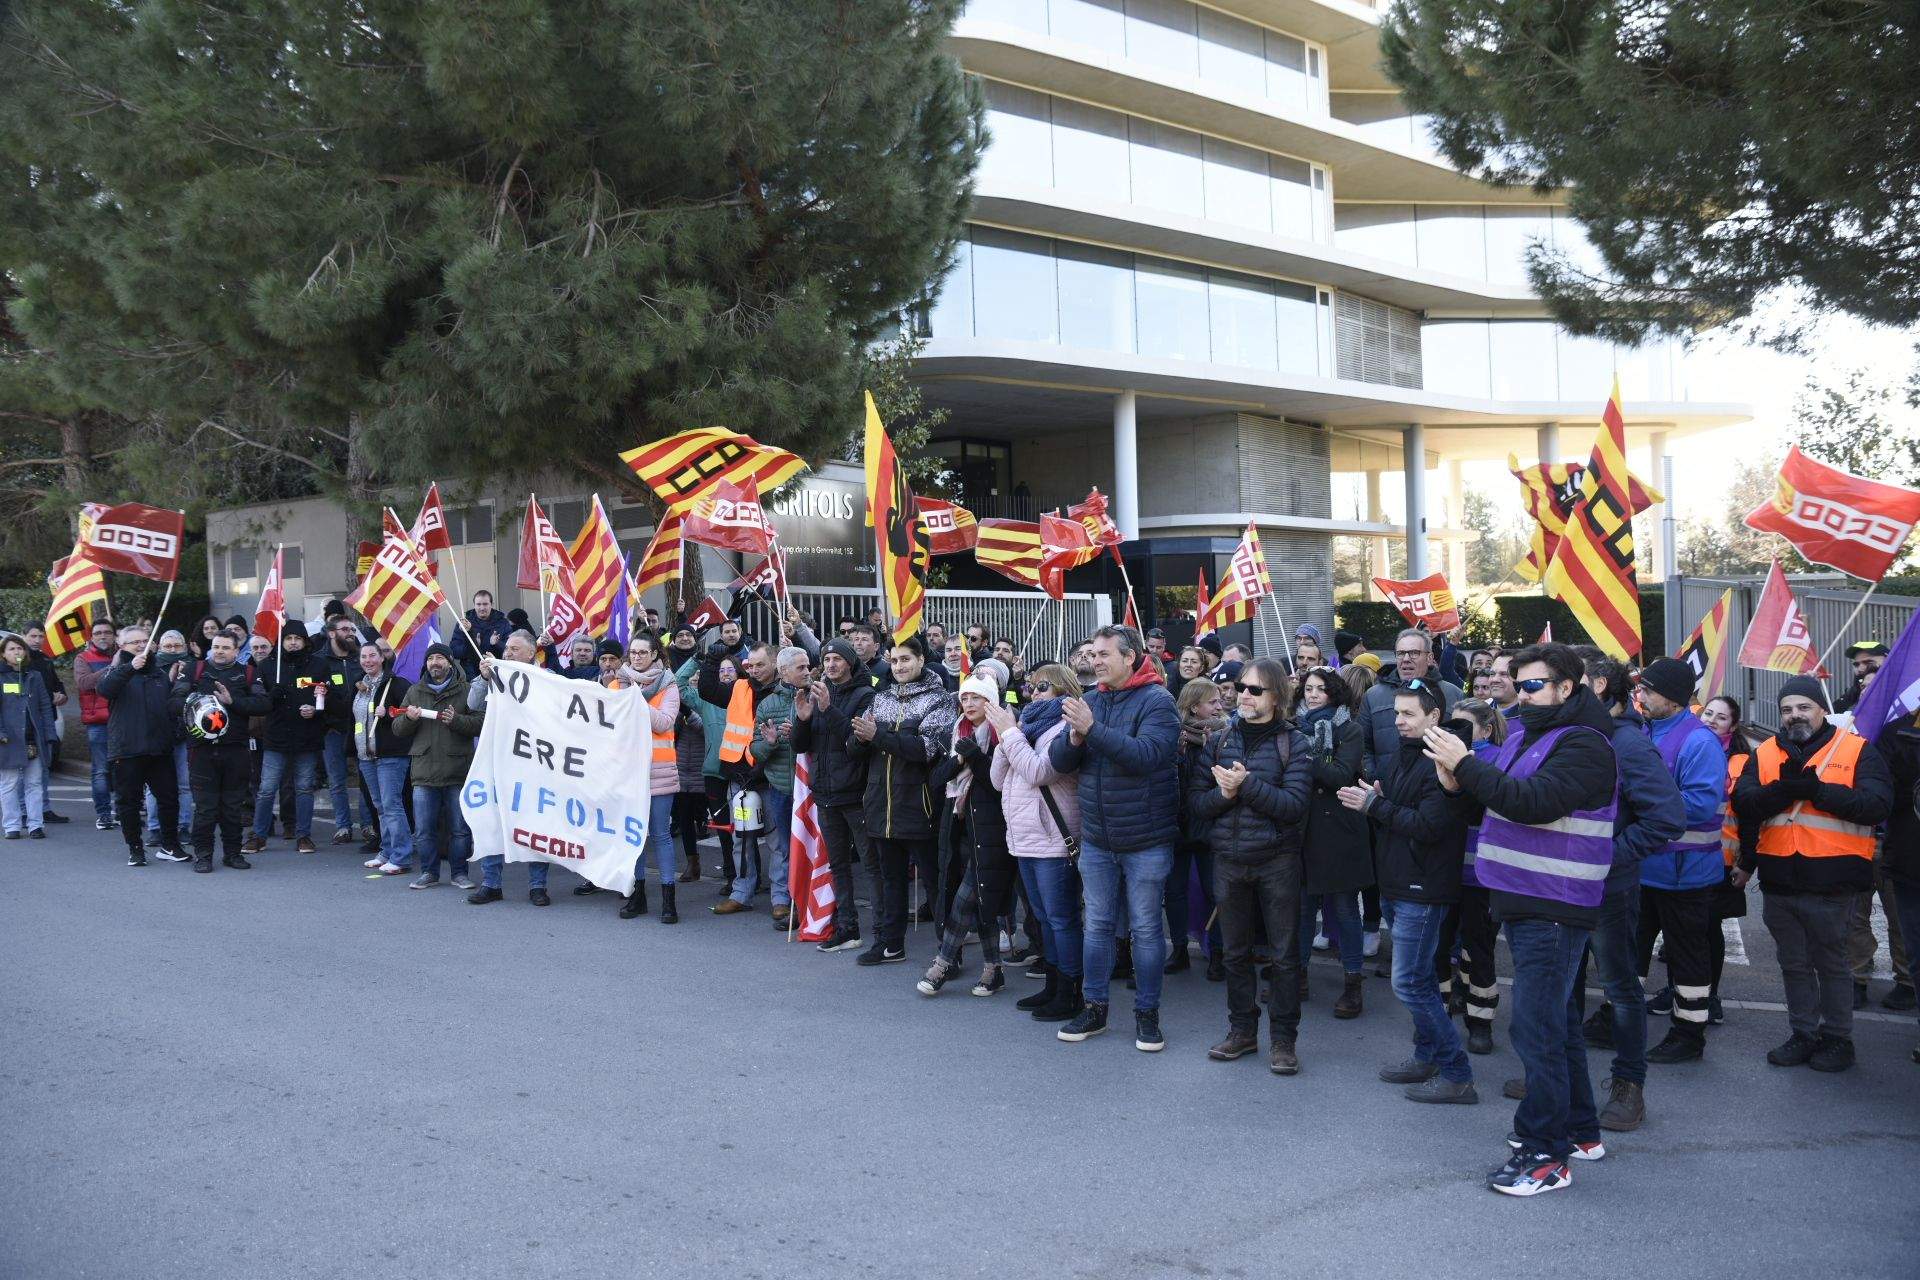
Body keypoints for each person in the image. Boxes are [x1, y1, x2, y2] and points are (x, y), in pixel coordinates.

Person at [1429, 643, 1621, 1195]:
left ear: (1569, 687)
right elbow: (1493, 808)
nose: (1523, 693)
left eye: (1535, 685)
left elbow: (1532, 803)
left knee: (1535, 1028)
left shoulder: (1587, 745)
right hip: (1524, 900)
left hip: (1555, 905)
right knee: (1556, 1025)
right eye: (1520, 683)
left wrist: (1465, 765)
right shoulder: (1523, 736)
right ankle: (1580, 1131)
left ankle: (1547, 1154)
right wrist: (1455, 783)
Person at [1732, 675, 1893, 1073]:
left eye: (1803, 707)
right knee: (1793, 963)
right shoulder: (1766, 752)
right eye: (1787, 709)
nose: (1794, 715)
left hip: (1833, 881)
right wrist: (1785, 791)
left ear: (1822, 710)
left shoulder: (1856, 750)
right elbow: (1745, 802)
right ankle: (1803, 1033)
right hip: (1780, 880)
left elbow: (1876, 805)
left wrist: (1818, 791)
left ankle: (1838, 1038)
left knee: (1832, 963)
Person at [1564, 649, 1685, 1133]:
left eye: (1554, 682)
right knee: (1563, 983)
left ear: (1593, 687)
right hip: (1560, 886)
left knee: (1619, 986)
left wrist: (1605, 855)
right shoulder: (1568, 736)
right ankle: (1562, 1076)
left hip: (1607, 890)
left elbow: (1667, 818)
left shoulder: (1628, 744)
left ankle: (1629, 1086)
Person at [1340, 679, 1474, 1104]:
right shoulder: (1406, 753)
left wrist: (1375, 806)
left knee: (1410, 983)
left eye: (1408, 714)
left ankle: (1457, 1073)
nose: (1398, 721)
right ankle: (1427, 1056)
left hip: (1424, 885)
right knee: (1421, 981)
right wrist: (1378, 797)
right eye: (1395, 713)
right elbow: (1405, 811)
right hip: (1399, 880)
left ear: (1434, 717)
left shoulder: (1442, 760)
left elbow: (1432, 825)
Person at [1051, 625, 1182, 1053]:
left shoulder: (1158, 700)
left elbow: (1147, 757)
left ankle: (1147, 1013)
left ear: (1131, 657)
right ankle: (1095, 1007)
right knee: (1098, 926)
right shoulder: (1091, 700)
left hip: (1146, 838)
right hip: (1098, 839)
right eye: (1092, 654)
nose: (1095, 661)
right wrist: (1073, 740)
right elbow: (1059, 761)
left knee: (1145, 930)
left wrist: (1092, 731)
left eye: (1104, 654)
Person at [1190, 658, 1313, 1072]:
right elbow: (1195, 805)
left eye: (1254, 689)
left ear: (1276, 697)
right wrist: (1223, 796)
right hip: (1227, 860)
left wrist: (1246, 785)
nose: (1243, 694)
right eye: (1241, 687)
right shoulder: (1219, 740)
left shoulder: (1295, 743)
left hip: (1277, 861)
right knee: (1234, 954)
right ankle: (1242, 1031)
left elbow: (1294, 807)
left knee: (1283, 956)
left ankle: (1283, 1040)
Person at [1629, 657, 1731, 1063]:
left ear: (1671, 698)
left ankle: (1689, 1035)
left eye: (1647, 690)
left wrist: (1638, 802)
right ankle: (1620, 1016)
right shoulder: (1648, 730)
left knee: (1687, 958)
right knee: (1630, 950)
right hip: (1647, 869)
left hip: (1684, 875)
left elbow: (1702, 804)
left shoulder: (1698, 741)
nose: (1640, 695)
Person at [849, 635, 955, 965]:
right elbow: (854, 749)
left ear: (921, 660)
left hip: (920, 807)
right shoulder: (880, 698)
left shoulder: (940, 701)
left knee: (936, 884)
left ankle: (948, 953)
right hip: (881, 806)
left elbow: (924, 750)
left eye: (906, 659)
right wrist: (860, 738)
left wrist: (877, 736)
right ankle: (891, 944)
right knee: (891, 880)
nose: (899, 666)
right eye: (894, 661)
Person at [988, 663, 1084, 1021]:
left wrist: (1010, 734)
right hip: (1024, 837)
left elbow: (1040, 771)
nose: (1033, 692)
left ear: (1062, 689)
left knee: (1062, 919)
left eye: (1042, 686)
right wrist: (1006, 737)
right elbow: (999, 779)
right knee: (1043, 917)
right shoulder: (1026, 726)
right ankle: (1055, 984)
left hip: (1054, 838)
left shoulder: (1066, 726)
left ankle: (1072, 991)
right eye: (1030, 686)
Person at [917, 671, 1016, 997]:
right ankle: (992, 969)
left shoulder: (1005, 733)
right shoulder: (956, 731)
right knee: (979, 899)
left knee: (967, 898)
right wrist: (961, 756)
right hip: (958, 827)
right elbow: (937, 780)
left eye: (977, 697)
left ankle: (942, 964)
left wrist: (975, 755)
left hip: (992, 831)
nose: (969, 703)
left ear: (991, 701)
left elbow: (999, 785)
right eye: (965, 697)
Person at [577, 632, 682, 921]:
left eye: (642, 652)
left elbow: (663, 722)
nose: (636, 657)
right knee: (633, 837)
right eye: (632, 652)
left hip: (659, 773)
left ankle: (668, 900)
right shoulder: (616, 685)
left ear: (655, 655)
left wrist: (635, 700)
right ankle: (637, 896)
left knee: (660, 835)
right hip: (626, 775)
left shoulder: (669, 684)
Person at [1295, 666, 1372, 1020]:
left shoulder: (1349, 729)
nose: (1312, 694)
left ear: (1334, 694)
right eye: (1308, 688)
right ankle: (1297, 977)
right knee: (1302, 910)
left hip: (1339, 830)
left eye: (1320, 689)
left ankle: (1353, 982)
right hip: (1301, 830)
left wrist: (1304, 756)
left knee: (1344, 911)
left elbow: (1341, 774)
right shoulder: (1293, 726)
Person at [792, 637, 875, 952]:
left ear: (849, 663)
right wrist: (802, 720)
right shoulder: (816, 694)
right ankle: (847, 928)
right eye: (826, 661)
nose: (830, 665)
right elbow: (802, 746)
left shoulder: (866, 695)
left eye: (837, 659)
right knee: (837, 865)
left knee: (871, 864)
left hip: (855, 794)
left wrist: (828, 709)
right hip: (825, 793)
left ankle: (882, 933)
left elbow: (856, 745)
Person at [708, 643, 799, 924]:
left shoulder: (787, 694)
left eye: (760, 664)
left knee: (777, 842)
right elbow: (705, 688)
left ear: (775, 663)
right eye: (750, 665)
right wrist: (711, 654)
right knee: (743, 839)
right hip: (741, 777)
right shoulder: (739, 687)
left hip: (772, 778)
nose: (753, 670)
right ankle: (741, 892)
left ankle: (781, 899)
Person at [167, 631, 271, 873]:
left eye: (226, 647)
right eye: (216, 646)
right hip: (201, 750)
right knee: (205, 808)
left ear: (237, 650)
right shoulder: (194, 669)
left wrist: (232, 700)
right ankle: (203, 855)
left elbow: (263, 704)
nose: (220, 651)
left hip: (236, 750)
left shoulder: (248, 673)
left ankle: (233, 854)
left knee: (233, 807)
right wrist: (195, 702)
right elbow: (172, 703)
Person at [1440, 698, 1508, 1052]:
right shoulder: (1441, 755)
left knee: (1478, 950)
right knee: (1439, 948)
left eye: (1465, 726)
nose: (1458, 733)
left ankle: (1480, 1022)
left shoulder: (1497, 760)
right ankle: (1438, 1019)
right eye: (1454, 725)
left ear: (1486, 728)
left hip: (1482, 877)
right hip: (1444, 870)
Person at [98, 626, 188, 866]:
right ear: (122, 646)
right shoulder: (117, 670)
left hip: (159, 748)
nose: (141, 645)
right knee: (129, 802)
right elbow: (104, 690)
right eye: (134, 642)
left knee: (169, 799)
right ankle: (135, 848)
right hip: (127, 749)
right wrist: (130, 668)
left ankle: (170, 845)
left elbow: (169, 706)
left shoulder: (158, 673)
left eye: (145, 640)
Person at [395, 643, 481, 892]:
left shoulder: (466, 690)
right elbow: (398, 730)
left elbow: (479, 723)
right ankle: (429, 873)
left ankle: (460, 874)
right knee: (423, 830)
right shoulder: (414, 691)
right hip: (423, 773)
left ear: (450, 662)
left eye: (440, 658)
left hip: (457, 771)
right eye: (430, 658)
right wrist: (409, 719)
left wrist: (456, 721)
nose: (435, 662)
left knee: (460, 830)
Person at [245, 621, 325, 855]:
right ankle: (259, 835)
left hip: (307, 737)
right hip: (276, 737)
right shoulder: (269, 665)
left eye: (297, 639)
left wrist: (316, 709)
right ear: (282, 642)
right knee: (267, 788)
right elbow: (258, 700)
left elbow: (328, 696)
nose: (292, 643)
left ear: (305, 641)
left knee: (303, 788)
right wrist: (272, 695)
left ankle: (304, 836)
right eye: (288, 639)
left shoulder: (318, 665)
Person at [1170, 678, 1229, 983]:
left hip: (1209, 827)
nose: (1220, 706)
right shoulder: (1174, 736)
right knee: (1175, 892)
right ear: (1194, 707)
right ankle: (1179, 950)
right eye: (1213, 702)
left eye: (1220, 700)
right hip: (1178, 827)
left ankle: (1217, 953)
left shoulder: (1225, 736)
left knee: (1214, 892)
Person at [1359, 629, 1464, 789]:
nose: (1406, 659)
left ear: (1429, 658)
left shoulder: (1453, 694)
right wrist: (1375, 779)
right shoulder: (1373, 695)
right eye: (1401, 653)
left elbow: (1461, 746)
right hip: (1384, 791)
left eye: (1414, 653)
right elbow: (1363, 746)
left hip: (1436, 793)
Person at [1702, 694, 1752, 1023]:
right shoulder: (1687, 747)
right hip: (1683, 855)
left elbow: (1751, 817)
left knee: (1708, 931)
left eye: (1721, 718)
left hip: (1721, 862)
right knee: (1680, 930)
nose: (1711, 720)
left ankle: (1711, 995)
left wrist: (1746, 862)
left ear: (1732, 726)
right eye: (1708, 713)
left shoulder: (1744, 762)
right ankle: (1679, 989)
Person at [676, 645, 739, 884]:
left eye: (730, 669)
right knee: (722, 827)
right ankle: (731, 875)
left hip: (740, 771)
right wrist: (697, 659)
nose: (725, 673)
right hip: (714, 770)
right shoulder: (706, 700)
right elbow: (680, 684)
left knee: (743, 827)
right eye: (721, 670)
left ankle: (746, 875)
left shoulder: (746, 695)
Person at [351, 641, 413, 876]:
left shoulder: (396, 684)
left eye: (372, 656)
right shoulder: (359, 686)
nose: (367, 660)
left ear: (382, 658)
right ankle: (386, 851)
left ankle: (401, 856)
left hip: (391, 755)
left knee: (392, 805)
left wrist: (389, 714)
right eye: (364, 656)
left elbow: (410, 712)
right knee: (380, 806)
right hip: (366, 756)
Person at [315, 615, 369, 845]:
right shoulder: (319, 661)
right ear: (331, 633)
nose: (350, 632)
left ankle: (368, 825)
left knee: (365, 778)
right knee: (337, 780)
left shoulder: (361, 659)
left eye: (352, 628)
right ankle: (343, 826)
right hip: (333, 729)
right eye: (345, 628)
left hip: (360, 728)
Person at [0, 634, 55, 839]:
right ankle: (12, 826)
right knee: (9, 784)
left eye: (20, 648)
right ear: (3, 654)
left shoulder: (34, 676)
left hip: (33, 738)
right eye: (12, 649)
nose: (17, 652)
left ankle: (35, 824)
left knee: (34, 783)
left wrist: (50, 733)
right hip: (9, 739)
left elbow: (45, 706)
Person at [146, 631, 197, 841]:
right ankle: (155, 828)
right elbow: (153, 697)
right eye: (168, 647)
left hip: (184, 732)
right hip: (156, 732)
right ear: (159, 648)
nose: (173, 650)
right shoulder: (150, 667)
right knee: (153, 785)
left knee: (184, 784)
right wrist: (170, 677)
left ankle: (183, 826)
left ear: (184, 646)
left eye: (177, 646)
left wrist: (187, 677)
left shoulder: (194, 666)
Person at [71, 617, 121, 829]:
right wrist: (113, 668)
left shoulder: (124, 654)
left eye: (107, 632)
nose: (103, 636)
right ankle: (103, 813)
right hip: (98, 722)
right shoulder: (83, 658)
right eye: (98, 633)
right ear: (91, 637)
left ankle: (122, 811)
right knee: (101, 770)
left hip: (122, 720)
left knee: (123, 770)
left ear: (114, 636)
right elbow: (84, 683)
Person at [19, 625, 70, 824]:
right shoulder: (20, 662)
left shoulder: (46, 660)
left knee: (44, 767)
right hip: (25, 721)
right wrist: (50, 695)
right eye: (33, 636)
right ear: (23, 636)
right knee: (23, 770)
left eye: (41, 636)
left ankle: (44, 808)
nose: (37, 640)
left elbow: (57, 684)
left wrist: (62, 695)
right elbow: (23, 690)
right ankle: (24, 811)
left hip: (46, 719)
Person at [450, 590, 512, 676]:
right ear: (474, 605)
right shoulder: (464, 623)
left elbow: (510, 652)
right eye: (478, 604)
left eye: (485, 604)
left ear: (491, 604)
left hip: (495, 673)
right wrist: (472, 645)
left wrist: (496, 644)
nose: (482, 608)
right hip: (470, 675)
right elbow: (454, 652)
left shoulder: (503, 623)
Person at [1834, 639, 1887, 714]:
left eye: (1868, 662)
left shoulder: (1904, 691)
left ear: (1887, 661)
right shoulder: (1852, 695)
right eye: (1856, 664)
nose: (1860, 668)